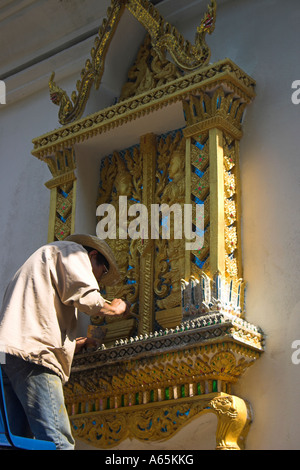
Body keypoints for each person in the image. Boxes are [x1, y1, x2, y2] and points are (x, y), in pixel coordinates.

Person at [0, 234, 129, 450]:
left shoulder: (43, 258)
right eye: (102, 273)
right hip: (35, 356)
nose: (98, 280)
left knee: (16, 441)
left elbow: (35, 315)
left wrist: (72, 345)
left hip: (8, 355)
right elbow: (86, 297)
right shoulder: (73, 251)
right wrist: (114, 308)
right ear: (93, 255)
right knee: (57, 443)